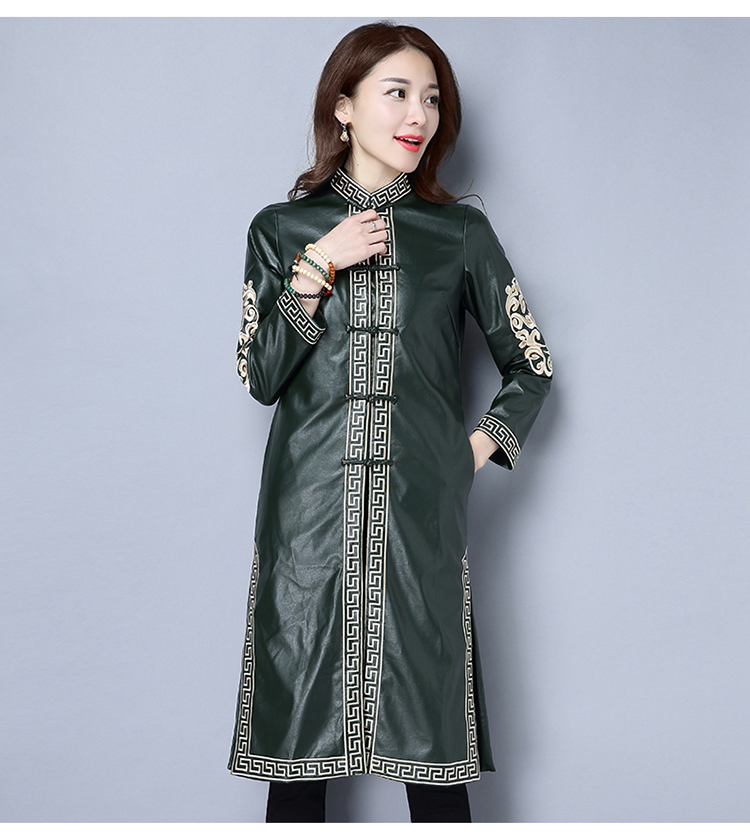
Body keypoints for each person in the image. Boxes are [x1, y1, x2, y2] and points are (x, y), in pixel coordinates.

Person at [228, 21, 552, 823]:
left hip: (418, 519)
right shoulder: (280, 230)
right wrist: (318, 266)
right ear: (343, 106)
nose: (420, 116)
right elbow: (259, 376)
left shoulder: (460, 234)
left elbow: (531, 365)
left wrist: (467, 453)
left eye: (432, 99)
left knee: (434, 764)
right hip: (308, 523)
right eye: (398, 93)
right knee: (297, 766)